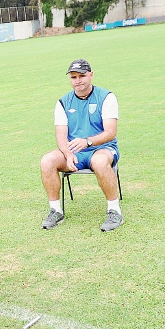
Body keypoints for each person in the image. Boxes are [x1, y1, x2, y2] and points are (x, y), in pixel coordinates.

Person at [39, 58, 123, 232]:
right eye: (73, 77)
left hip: (102, 148)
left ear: (91, 75)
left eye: (82, 76)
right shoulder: (63, 102)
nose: (78, 81)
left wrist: (88, 141)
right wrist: (68, 154)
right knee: (47, 161)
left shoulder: (106, 97)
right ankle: (56, 211)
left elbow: (110, 132)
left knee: (100, 162)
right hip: (74, 152)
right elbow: (61, 135)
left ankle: (114, 211)